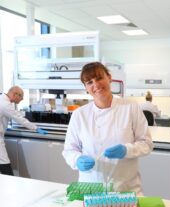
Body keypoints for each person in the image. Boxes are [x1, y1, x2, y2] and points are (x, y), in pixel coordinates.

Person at [62, 62, 153, 195]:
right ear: (86, 87)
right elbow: (69, 150)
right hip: (91, 190)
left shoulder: (130, 107)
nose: (96, 85)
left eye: (99, 78)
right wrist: (77, 159)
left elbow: (147, 144)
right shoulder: (79, 115)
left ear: (109, 77)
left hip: (125, 190)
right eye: (89, 82)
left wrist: (126, 150)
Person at [0, 86, 48, 175]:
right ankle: (12, 185)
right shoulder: (5, 104)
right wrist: (36, 128)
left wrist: (2, 126)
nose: (22, 99)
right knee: (5, 166)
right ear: (15, 95)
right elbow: (19, 119)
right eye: (21, 97)